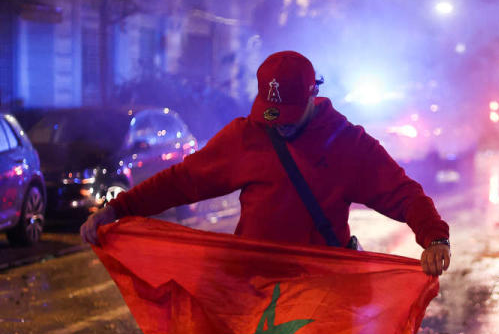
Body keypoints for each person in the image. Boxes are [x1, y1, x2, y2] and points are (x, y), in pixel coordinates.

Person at [81, 50, 451, 276]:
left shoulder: (347, 143)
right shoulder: (248, 135)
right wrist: (116, 210)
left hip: (324, 290)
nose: (280, 126)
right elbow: (182, 181)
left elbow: (402, 193)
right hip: (253, 289)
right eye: (272, 116)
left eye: (288, 116)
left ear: (313, 94)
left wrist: (434, 237)